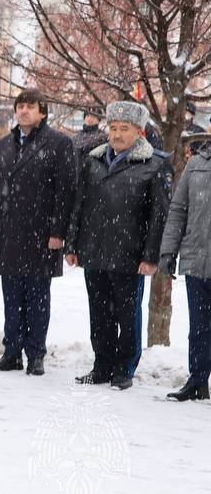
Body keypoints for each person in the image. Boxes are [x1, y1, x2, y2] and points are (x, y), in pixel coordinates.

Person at [66, 101, 172, 390]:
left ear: (139, 132)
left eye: (124, 129)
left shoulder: (154, 164)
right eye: (113, 128)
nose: (117, 134)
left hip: (130, 255)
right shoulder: (93, 161)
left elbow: (158, 217)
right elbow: (79, 204)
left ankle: (125, 368)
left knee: (127, 314)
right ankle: (102, 365)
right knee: (99, 314)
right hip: (94, 249)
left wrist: (151, 257)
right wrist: (72, 244)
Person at [0, 89, 76, 375]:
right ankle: (12, 352)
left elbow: (66, 192)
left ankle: (36, 353)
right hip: (9, 232)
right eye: (20, 106)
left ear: (43, 112)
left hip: (41, 233)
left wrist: (59, 231)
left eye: (30, 106)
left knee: (37, 297)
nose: (23, 111)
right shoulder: (4, 145)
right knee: (11, 296)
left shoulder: (59, 144)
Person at [161, 135, 211, 400]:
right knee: (200, 326)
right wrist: (169, 251)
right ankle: (198, 381)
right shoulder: (197, 163)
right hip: (198, 259)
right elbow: (179, 209)